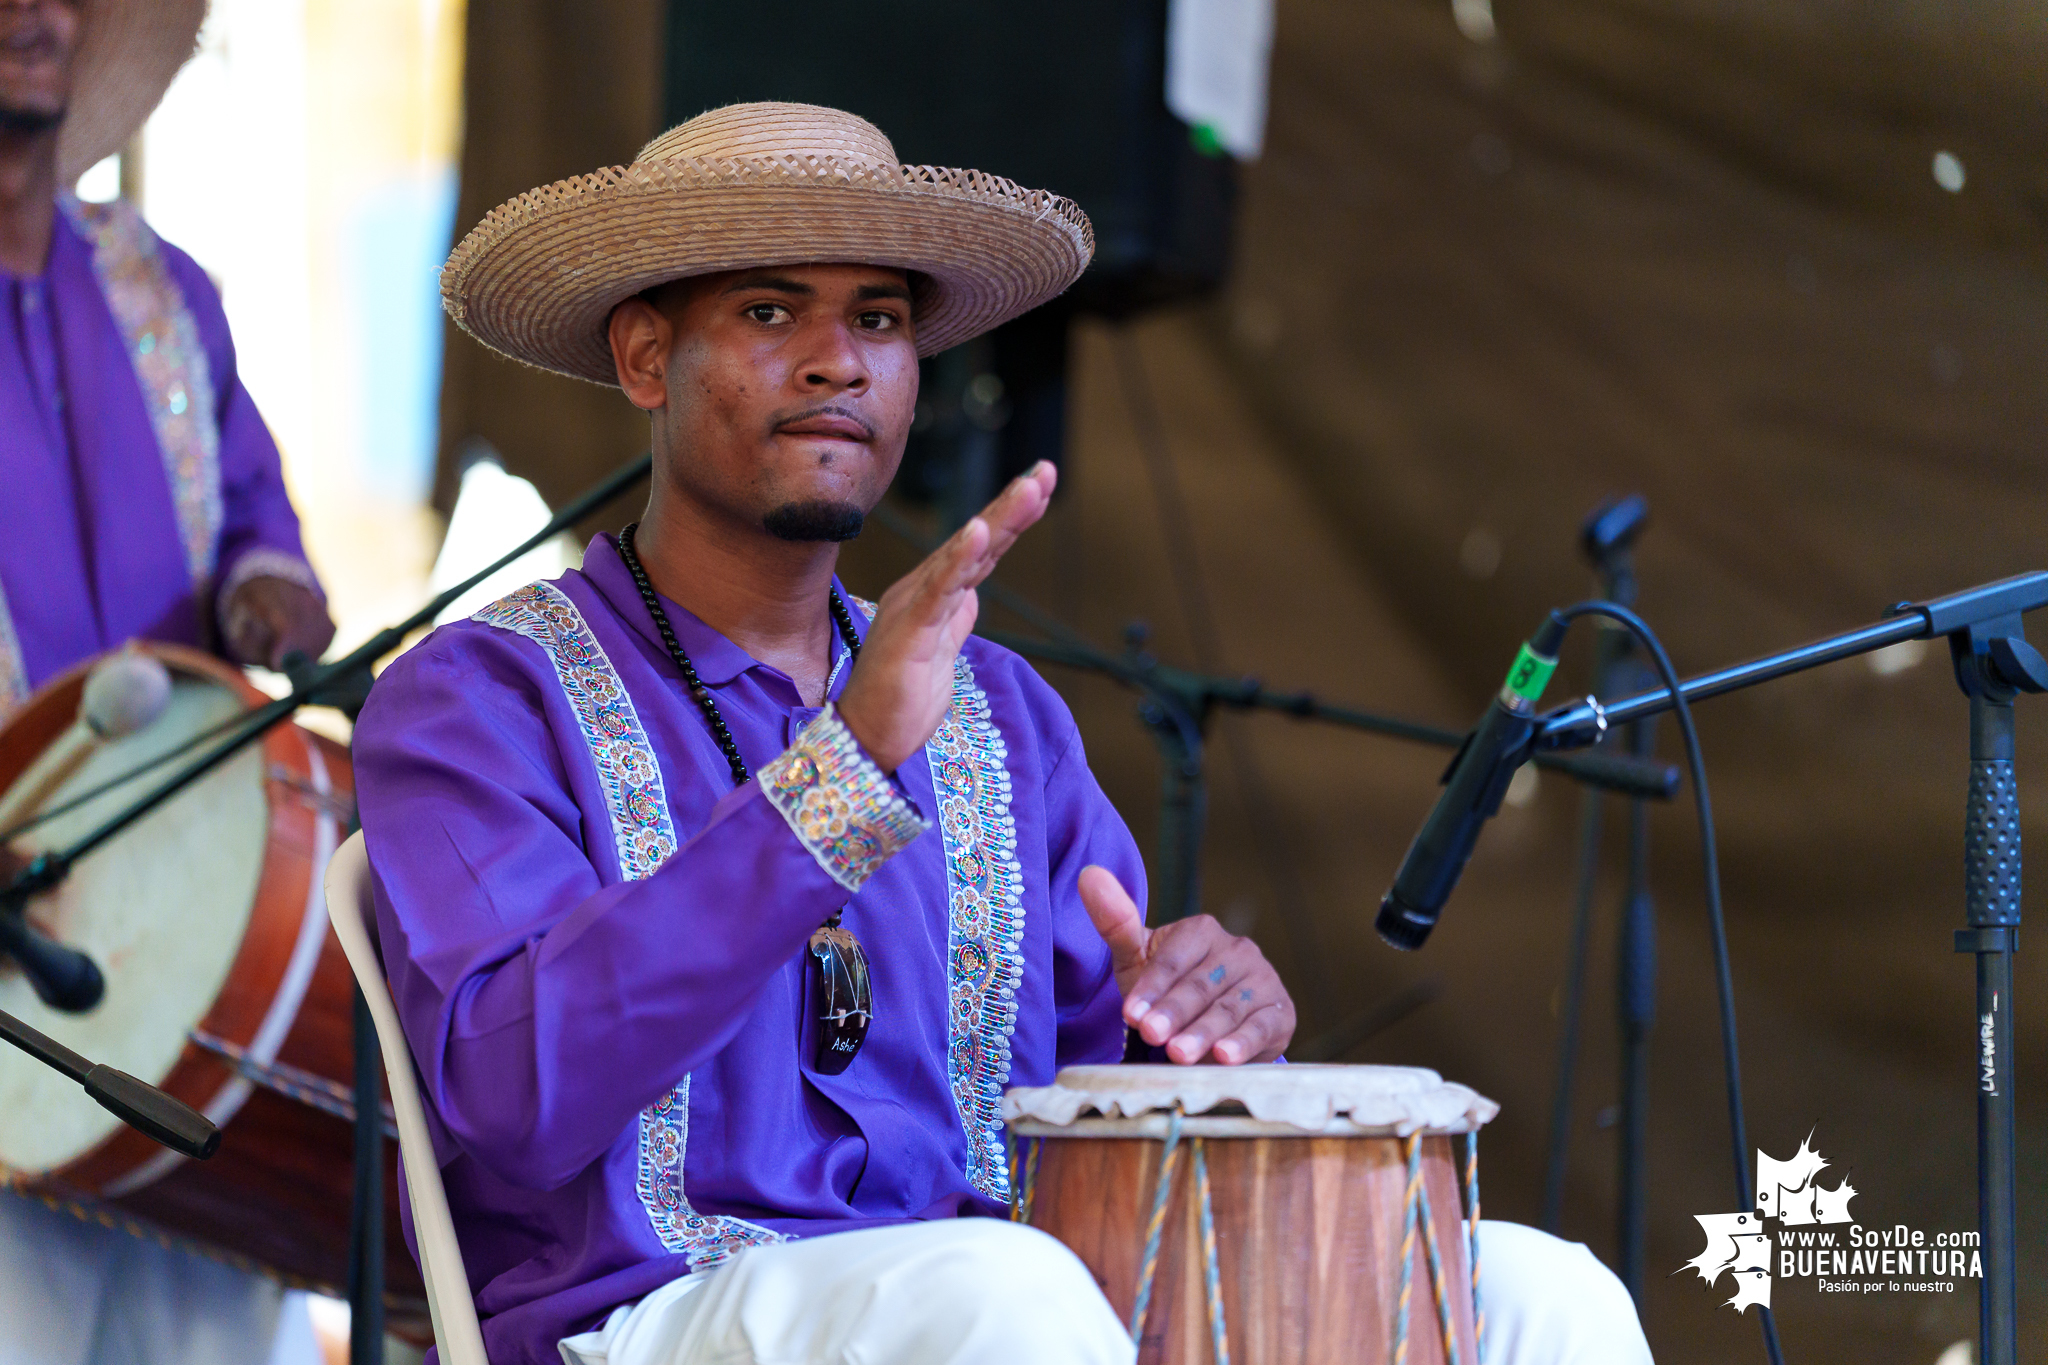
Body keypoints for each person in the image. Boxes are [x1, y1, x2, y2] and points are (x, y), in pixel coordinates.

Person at [356, 102, 1654, 1365]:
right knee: (1002, 1291)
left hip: (1016, 1296)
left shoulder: (1001, 712)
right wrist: (838, 779)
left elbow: (1095, 1095)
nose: (838, 359)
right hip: (653, 1317)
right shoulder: (479, 700)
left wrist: (1195, 1025)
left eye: (878, 318)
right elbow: (515, 1096)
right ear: (647, 358)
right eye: (769, 312)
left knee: (1539, 1293)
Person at [0, 1, 331, 1362]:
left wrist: (271, 592)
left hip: (203, 940)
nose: (35, 11)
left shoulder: (160, 287)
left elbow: (262, 522)